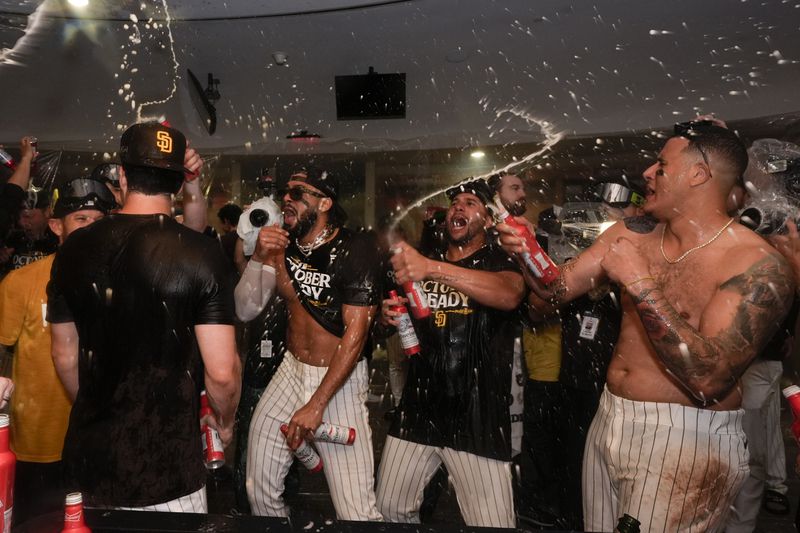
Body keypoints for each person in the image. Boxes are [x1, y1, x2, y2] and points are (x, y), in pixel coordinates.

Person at [498, 121, 794, 532]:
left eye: (661, 164)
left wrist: (639, 282)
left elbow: (709, 378)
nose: (647, 174)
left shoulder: (756, 264)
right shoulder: (631, 233)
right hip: (610, 417)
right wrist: (526, 251)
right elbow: (556, 290)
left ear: (698, 174)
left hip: (685, 437)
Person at [47, 122, 241, 511]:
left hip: (91, 464)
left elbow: (65, 356)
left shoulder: (74, 250)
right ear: (175, 182)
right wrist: (226, 420)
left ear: (122, 175)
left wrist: (98, 407)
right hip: (169, 471)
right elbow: (222, 372)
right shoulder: (201, 254)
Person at [376, 178, 525, 528]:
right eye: (456, 202)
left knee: (492, 525)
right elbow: (404, 319)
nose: (459, 206)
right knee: (389, 510)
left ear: (488, 220)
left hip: (477, 414)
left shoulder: (499, 259)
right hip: (419, 408)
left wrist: (434, 269)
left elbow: (509, 295)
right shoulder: (423, 262)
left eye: (471, 202)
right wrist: (387, 318)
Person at [240, 167, 383, 521]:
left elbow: (356, 334)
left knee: (356, 512)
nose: (286, 199)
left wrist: (318, 403)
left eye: (298, 192)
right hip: (290, 369)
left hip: (340, 379)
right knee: (258, 486)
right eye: (286, 192)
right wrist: (258, 257)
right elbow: (245, 309)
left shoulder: (356, 248)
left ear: (324, 202)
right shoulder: (282, 247)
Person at [0, 176, 115, 523]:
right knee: (37, 523)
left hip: (102, 436)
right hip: (39, 440)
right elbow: (2, 348)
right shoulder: (22, 282)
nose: (91, 229)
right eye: (81, 220)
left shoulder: (119, 282)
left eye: (98, 222)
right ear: (55, 226)